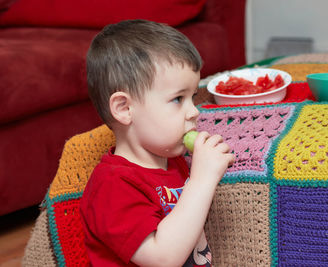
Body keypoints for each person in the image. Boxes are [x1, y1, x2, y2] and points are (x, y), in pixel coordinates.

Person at [80, 19, 234, 266]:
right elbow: (162, 259)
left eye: (192, 97)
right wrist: (202, 179)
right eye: (177, 99)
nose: (194, 112)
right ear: (124, 108)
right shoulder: (112, 186)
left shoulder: (175, 163)